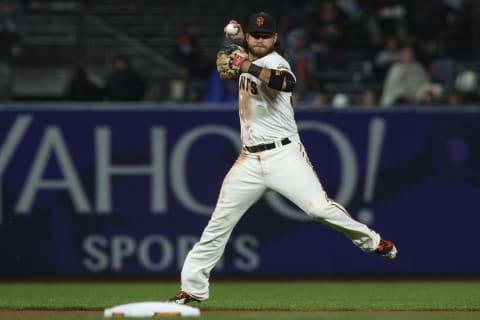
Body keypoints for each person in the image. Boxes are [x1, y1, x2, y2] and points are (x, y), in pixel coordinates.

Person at [168, 11, 397, 305]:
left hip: (283, 154)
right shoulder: (247, 51)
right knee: (219, 222)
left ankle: (373, 242)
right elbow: (241, 54)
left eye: (266, 36)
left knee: (318, 209)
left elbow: (286, 83)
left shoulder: (277, 62)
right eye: (255, 35)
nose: (260, 40)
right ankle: (192, 288)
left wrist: (246, 61)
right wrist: (240, 42)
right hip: (249, 160)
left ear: (275, 38)